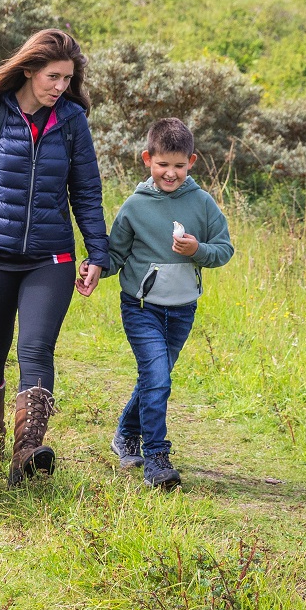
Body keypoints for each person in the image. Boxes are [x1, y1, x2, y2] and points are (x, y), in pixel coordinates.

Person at [0, 29, 111, 486]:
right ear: (29, 70)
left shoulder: (72, 120)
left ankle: (26, 454)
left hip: (49, 258)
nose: (60, 86)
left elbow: (88, 193)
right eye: (53, 76)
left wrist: (99, 252)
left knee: (37, 350)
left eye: (67, 78)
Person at [96, 118, 234, 489]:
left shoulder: (202, 204)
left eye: (178, 165)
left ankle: (124, 434)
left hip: (183, 308)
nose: (170, 173)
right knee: (157, 379)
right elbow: (116, 255)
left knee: (155, 379)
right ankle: (156, 458)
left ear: (192, 161)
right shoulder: (135, 206)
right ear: (147, 159)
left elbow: (224, 250)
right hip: (141, 308)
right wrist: (93, 269)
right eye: (162, 165)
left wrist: (198, 249)